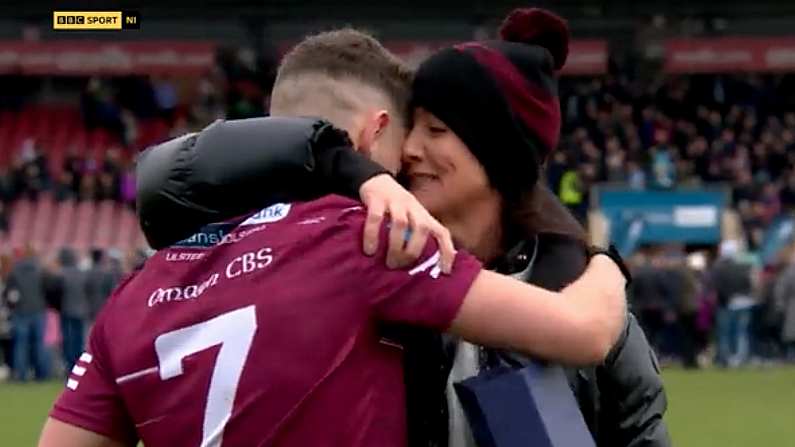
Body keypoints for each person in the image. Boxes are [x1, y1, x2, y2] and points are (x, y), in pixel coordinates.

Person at [39, 28, 629, 447]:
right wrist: (602, 259)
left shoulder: (138, 287)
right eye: (406, 142)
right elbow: (586, 331)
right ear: (373, 136)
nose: (410, 167)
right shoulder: (369, 242)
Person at [4, 245, 50, 381]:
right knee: (39, 343)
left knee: (20, 344)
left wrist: (13, 306)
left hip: (20, 311)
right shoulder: (41, 271)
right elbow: (47, 290)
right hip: (38, 311)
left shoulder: (15, 272)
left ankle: (21, 374)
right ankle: (41, 374)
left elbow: (8, 293)